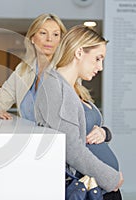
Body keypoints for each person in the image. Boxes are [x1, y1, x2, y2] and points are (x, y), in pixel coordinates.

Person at [35, 25, 124, 198]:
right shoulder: (55, 87)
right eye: (98, 58)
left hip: (100, 186)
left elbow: (92, 127)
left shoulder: (75, 87)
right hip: (92, 188)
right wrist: (111, 178)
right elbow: (71, 149)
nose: (100, 67)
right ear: (79, 52)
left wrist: (104, 133)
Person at [0, 13, 67, 120]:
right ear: (32, 38)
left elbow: (78, 109)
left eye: (55, 34)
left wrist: (99, 128)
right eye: (43, 33)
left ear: (60, 41)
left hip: (57, 135)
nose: (49, 39)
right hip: (28, 135)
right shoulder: (22, 69)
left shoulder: (66, 68)